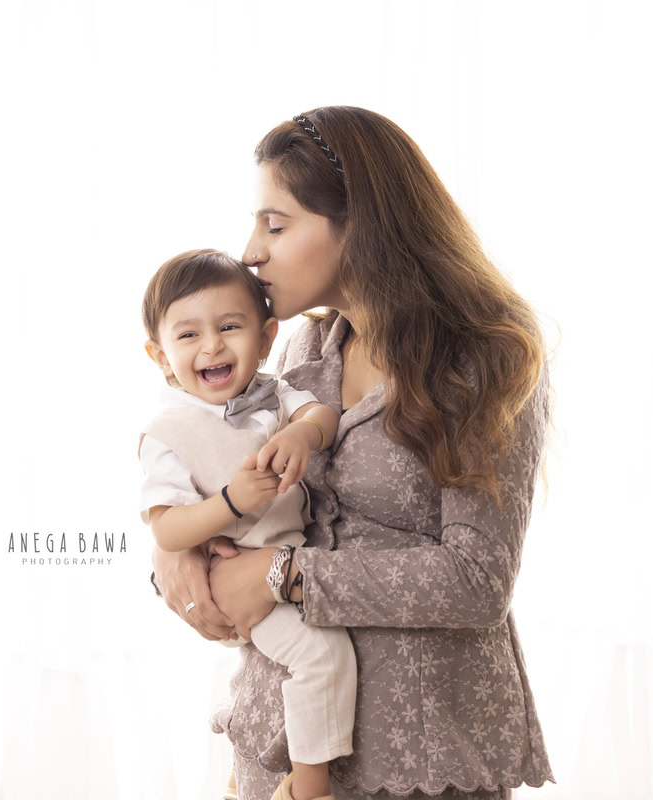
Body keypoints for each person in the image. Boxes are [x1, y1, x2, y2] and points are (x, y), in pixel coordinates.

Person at [149, 107, 557, 800]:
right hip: (281, 747)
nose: (251, 250)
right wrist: (174, 558)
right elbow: (220, 477)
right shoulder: (304, 350)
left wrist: (285, 576)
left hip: (423, 759)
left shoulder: (486, 354)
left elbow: (477, 580)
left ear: (361, 223)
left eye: (275, 226)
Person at [138, 248, 355, 800]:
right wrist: (230, 504)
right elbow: (168, 531)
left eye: (229, 327)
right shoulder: (168, 432)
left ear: (264, 340)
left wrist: (302, 433)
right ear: (161, 356)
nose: (211, 345)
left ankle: (253, 777)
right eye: (188, 336)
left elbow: (321, 414)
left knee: (290, 669)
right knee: (321, 656)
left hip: (289, 568)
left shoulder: (274, 394)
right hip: (239, 580)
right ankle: (309, 786)